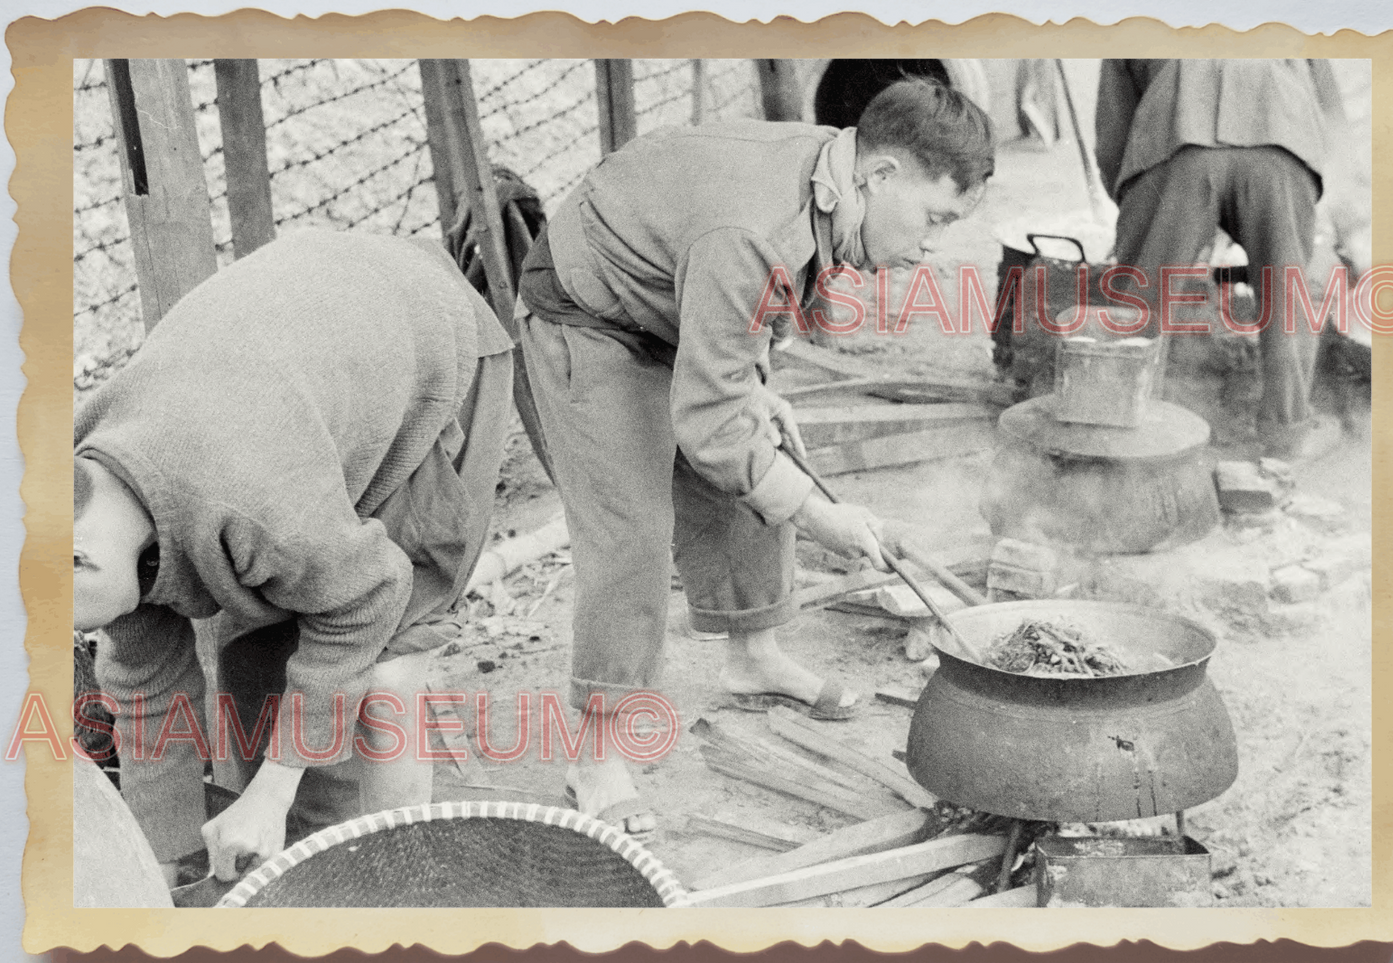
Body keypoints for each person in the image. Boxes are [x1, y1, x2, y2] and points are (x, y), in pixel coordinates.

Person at [514, 78, 994, 833]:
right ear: (882, 174)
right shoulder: (753, 226)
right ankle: (596, 756)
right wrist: (823, 518)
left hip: (670, 304)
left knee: (767, 454)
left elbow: (755, 309)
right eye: (933, 218)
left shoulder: (827, 174)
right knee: (632, 532)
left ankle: (753, 657)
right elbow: (708, 421)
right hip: (588, 318)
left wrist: (756, 386)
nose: (930, 245)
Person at [74, 230, 513, 884]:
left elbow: (366, 597)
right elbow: (148, 686)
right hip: (304, 385)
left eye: (75, 624)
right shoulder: (77, 496)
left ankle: (403, 896)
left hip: (431, 352)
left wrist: (272, 793)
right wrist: (160, 873)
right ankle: (312, 868)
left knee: (384, 678)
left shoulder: (246, 499)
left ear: (79, 560)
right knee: (259, 672)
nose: (82, 634)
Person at [1094, 59, 1357, 460]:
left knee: (1142, 298)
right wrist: (1332, 215)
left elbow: (1114, 134)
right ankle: (1289, 432)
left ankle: (1120, 432)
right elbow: (1332, 116)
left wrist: (1142, 223)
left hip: (1176, 140)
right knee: (1287, 297)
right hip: (1281, 141)